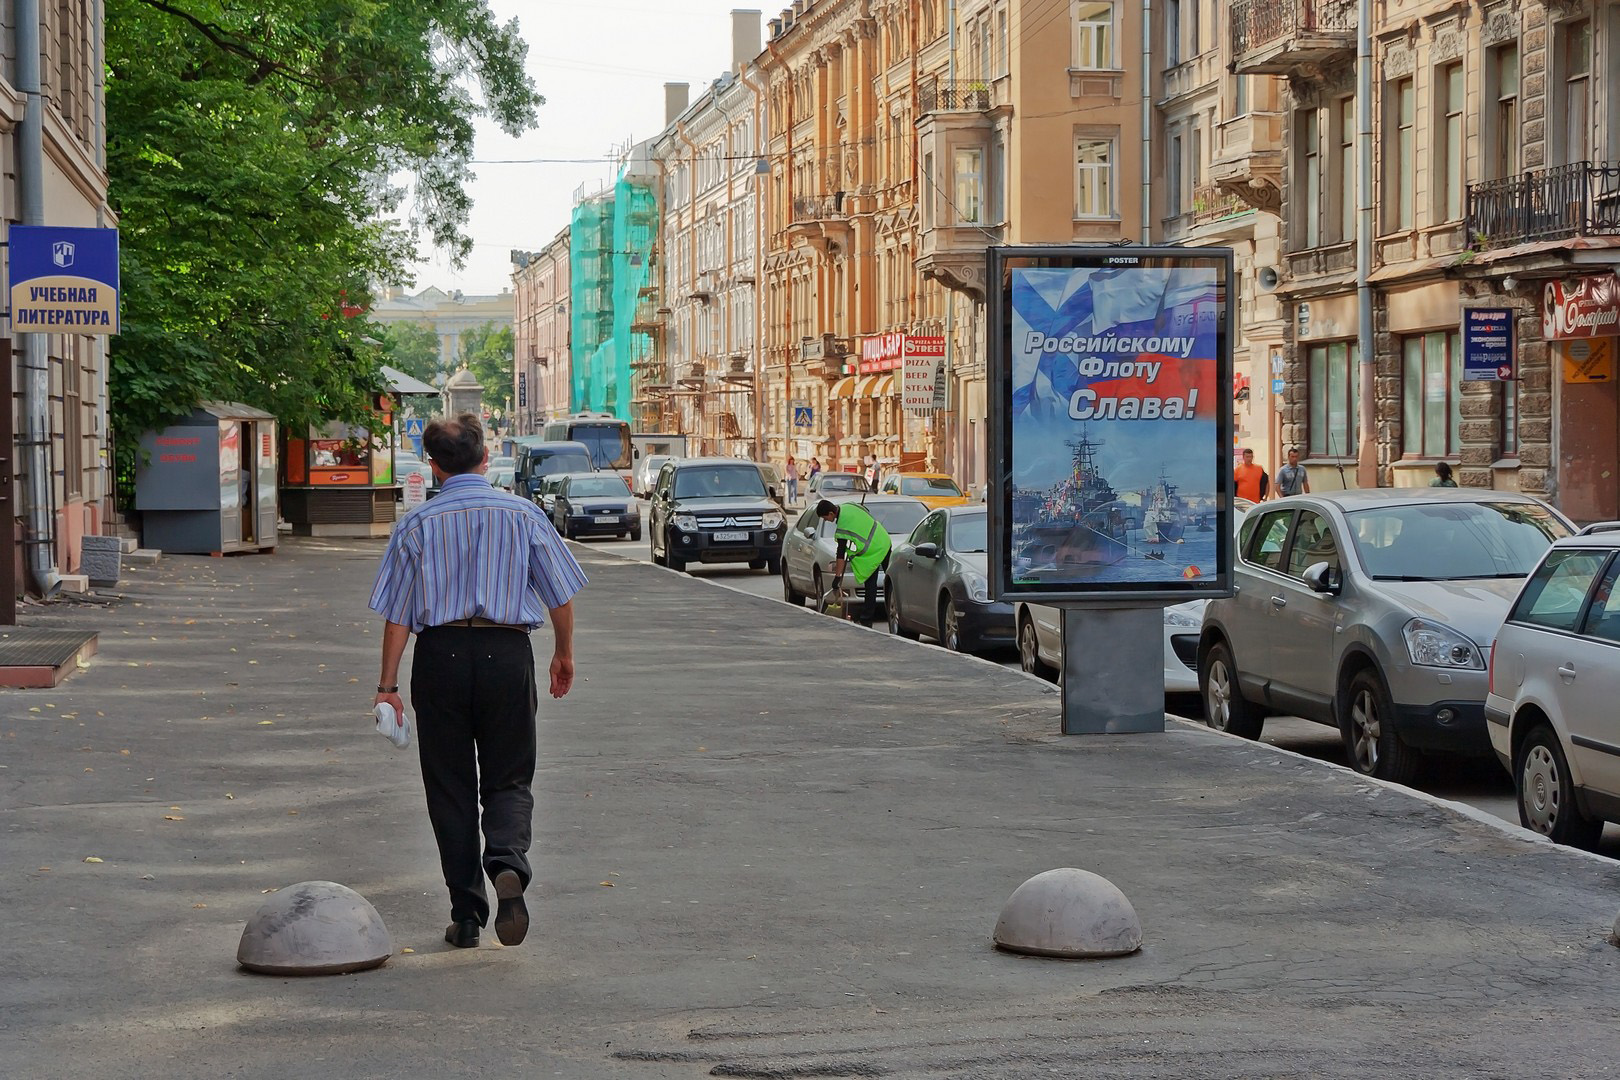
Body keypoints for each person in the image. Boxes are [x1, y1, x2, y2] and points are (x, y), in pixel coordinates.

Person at [369, 413, 587, 951]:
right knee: (509, 777)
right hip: (507, 654)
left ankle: (466, 915)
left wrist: (387, 685)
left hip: (440, 656)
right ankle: (507, 863)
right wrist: (563, 653)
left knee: (450, 789)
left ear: (434, 465)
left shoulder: (417, 525)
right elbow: (560, 593)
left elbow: (397, 615)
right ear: (485, 458)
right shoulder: (524, 515)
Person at [817, 498, 893, 628]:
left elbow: (840, 554)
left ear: (831, 513)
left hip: (874, 550)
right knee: (891, 583)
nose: (826, 520)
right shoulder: (849, 505)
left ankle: (866, 620)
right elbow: (865, 513)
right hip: (883, 539)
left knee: (871, 587)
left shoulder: (842, 527)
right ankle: (892, 611)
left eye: (825, 518)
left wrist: (837, 577)